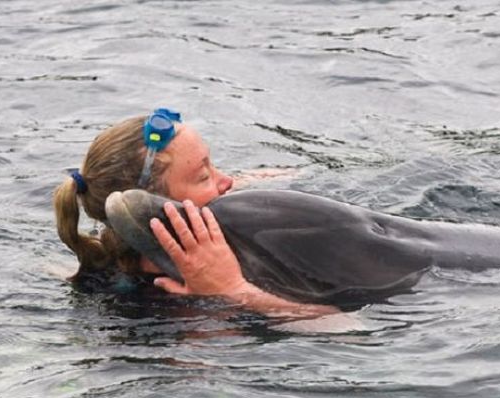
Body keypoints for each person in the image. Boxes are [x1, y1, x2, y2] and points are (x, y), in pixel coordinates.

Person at [53, 109, 338, 318]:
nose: (228, 182)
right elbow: (347, 328)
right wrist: (233, 290)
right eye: (204, 176)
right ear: (157, 213)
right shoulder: (139, 302)